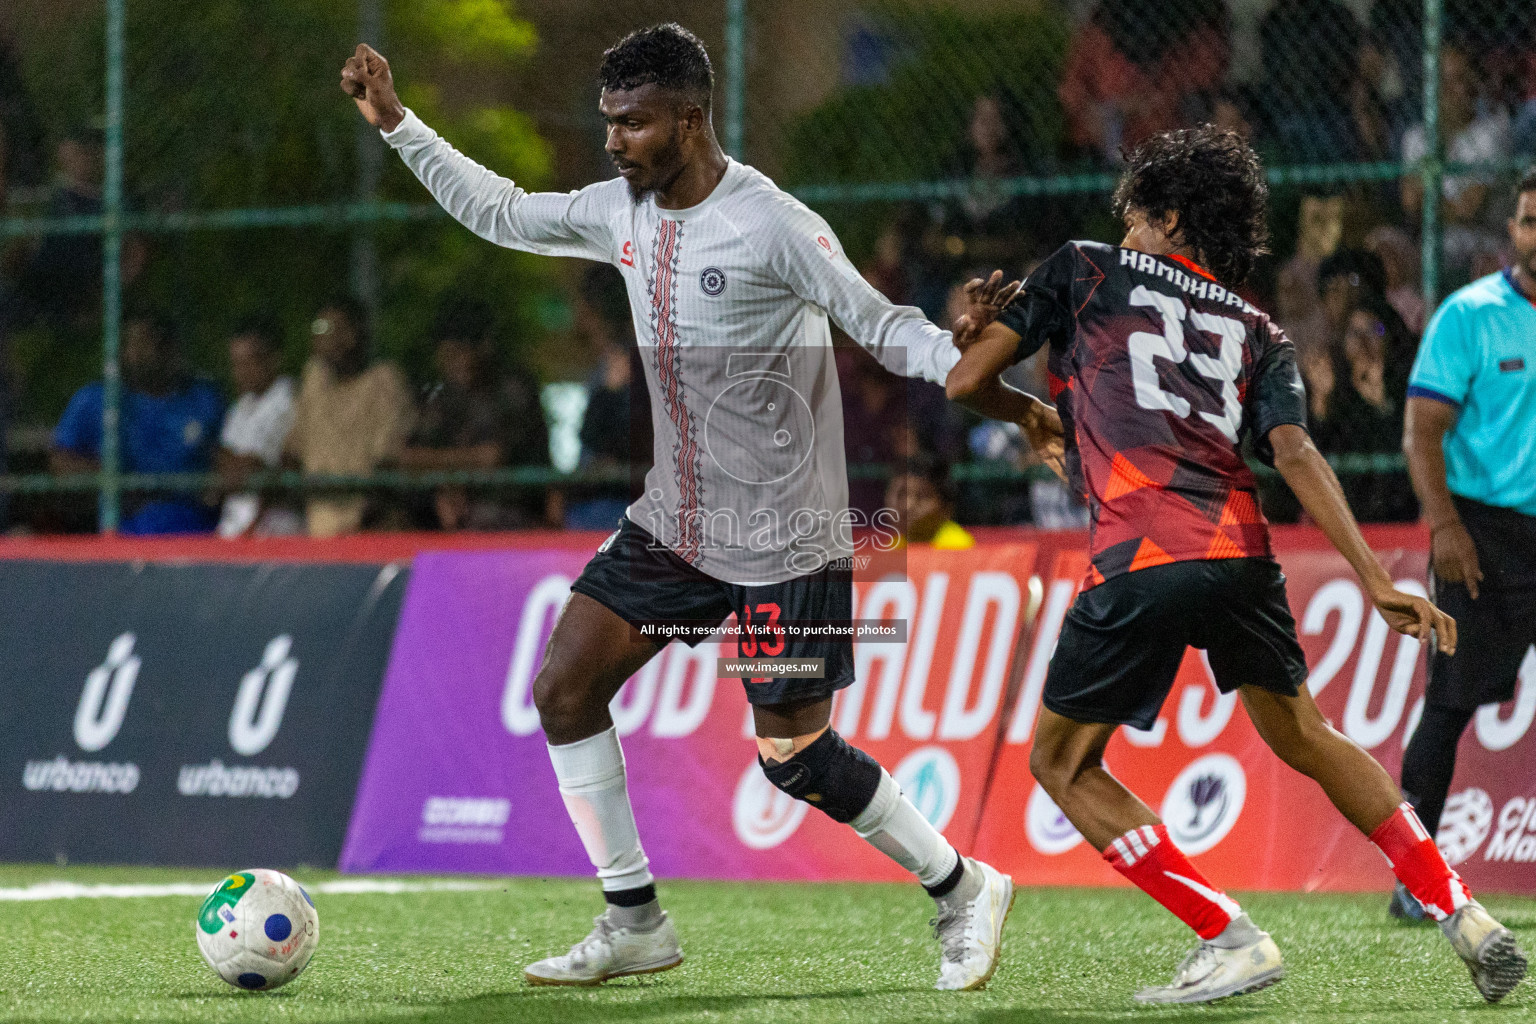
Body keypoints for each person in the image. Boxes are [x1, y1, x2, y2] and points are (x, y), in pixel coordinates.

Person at [343, 24, 1058, 990]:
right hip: (676, 528)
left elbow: (884, 326)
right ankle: (633, 919)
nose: (614, 142)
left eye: (632, 124)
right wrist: (398, 126)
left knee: (793, 755)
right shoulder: (619, 210)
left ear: (691, 119)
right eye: (607, 122)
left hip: (789, 538)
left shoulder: (773, 224)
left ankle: (963, 886)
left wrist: (999, 389)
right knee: (564, 687)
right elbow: (503, 211)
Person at [948, 125, 1526, 1005]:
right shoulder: (1260, 329)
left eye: (1137, 216)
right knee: (1308, 734)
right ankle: (1464, 912)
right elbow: (1294, 452)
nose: (1127, 230)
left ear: (1169, 215)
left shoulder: (1083, 267)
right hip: (1242, 553)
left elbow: (962, 384)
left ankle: (1229, 934)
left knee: (1061, 766)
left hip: (1140, 550)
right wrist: (1375, 580)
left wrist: (1012, 393)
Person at [1394, 170, 1536, 922]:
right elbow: (1422, 432)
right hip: (1482, 533)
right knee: (1448, 704)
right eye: (1528, 220)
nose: (1535, 234)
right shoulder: (1470, 314)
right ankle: (1415, 878)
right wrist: (1446, 528)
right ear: (1512, 228)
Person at [51, 311, 224, 535]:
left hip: (196, 532)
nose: (137, 353)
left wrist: (213, 481)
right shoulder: (97, 399)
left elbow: (226, 454)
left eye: (150, 343)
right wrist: (119, 482)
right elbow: (61, 461)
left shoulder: (203, 398)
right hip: (124, 532)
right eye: (133, 344)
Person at [399, 297, 549, 530]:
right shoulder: (441, 396)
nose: (453, 362)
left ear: (484, 348)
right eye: (446, 354)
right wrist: (447, 481)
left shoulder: (512, 388)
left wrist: (444, 467)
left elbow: (491, 457)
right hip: (453, 514)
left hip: (512, 512)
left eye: (460, 352)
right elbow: (408, 456)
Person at [283, 297, 415, 537]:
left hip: (367, 532)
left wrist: (361, 524)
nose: (323, 338)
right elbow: (292, 453)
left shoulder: (383, 381)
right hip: (315, 530)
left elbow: (388, 463)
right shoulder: (314, 379)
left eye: (331, 329)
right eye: (318, 329)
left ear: (356, 333)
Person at [1401, 44, 1510, 290]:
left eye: (1460, 80)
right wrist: (1446, 207)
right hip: (1430, 248)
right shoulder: (1416, 138)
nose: (1453, 91)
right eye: (1445, 82)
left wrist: (1429, 202)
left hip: (1481, 248)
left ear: (1474, 84)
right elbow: (1410, 205)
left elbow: (1469, 209)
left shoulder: (1491, 133)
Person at [216, 314, 300, 538]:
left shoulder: (291, 400)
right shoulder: (241, 406)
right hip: (234, 527)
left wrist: (252, 469)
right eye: (236, 364)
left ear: (273, 358)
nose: (240, 372)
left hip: (276, 530)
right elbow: (224, 462)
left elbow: (280, 472)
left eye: (248, 362)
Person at [884, 452, 973, 549]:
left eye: (922, 496)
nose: (907, 506)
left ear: (946, 507)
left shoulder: (956, 546)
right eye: (901, 495)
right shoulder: (895, 545)